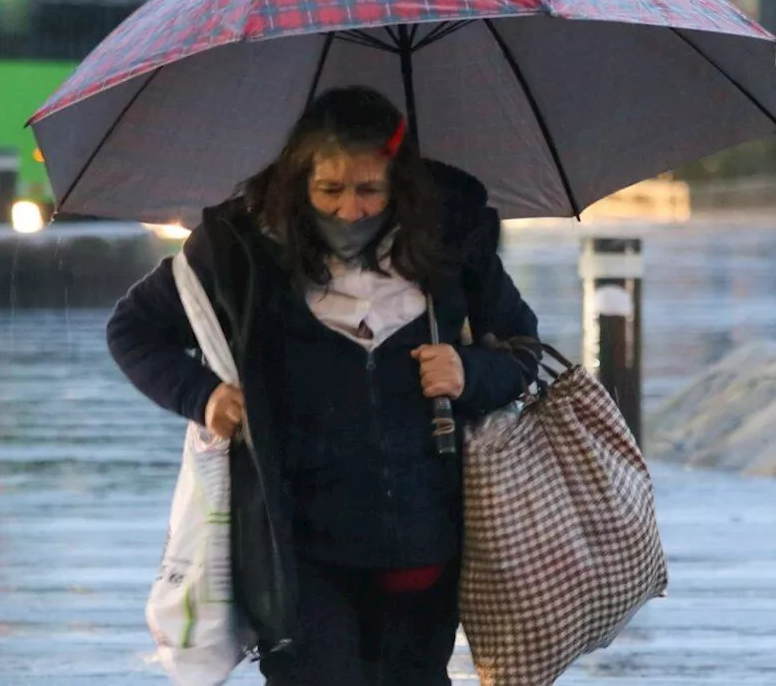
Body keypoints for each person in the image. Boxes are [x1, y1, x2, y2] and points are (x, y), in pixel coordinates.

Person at [106, 86, 540, 685]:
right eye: (329, 189)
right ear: (297, 180)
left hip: (425, 540)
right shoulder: (238, 250)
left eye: (370, 190)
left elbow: (521, 348)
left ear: (401, 187)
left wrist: (471, 373)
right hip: (295, 547)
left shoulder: (452, 242)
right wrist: (203, 397)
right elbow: (134, 331)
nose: (351, 210)